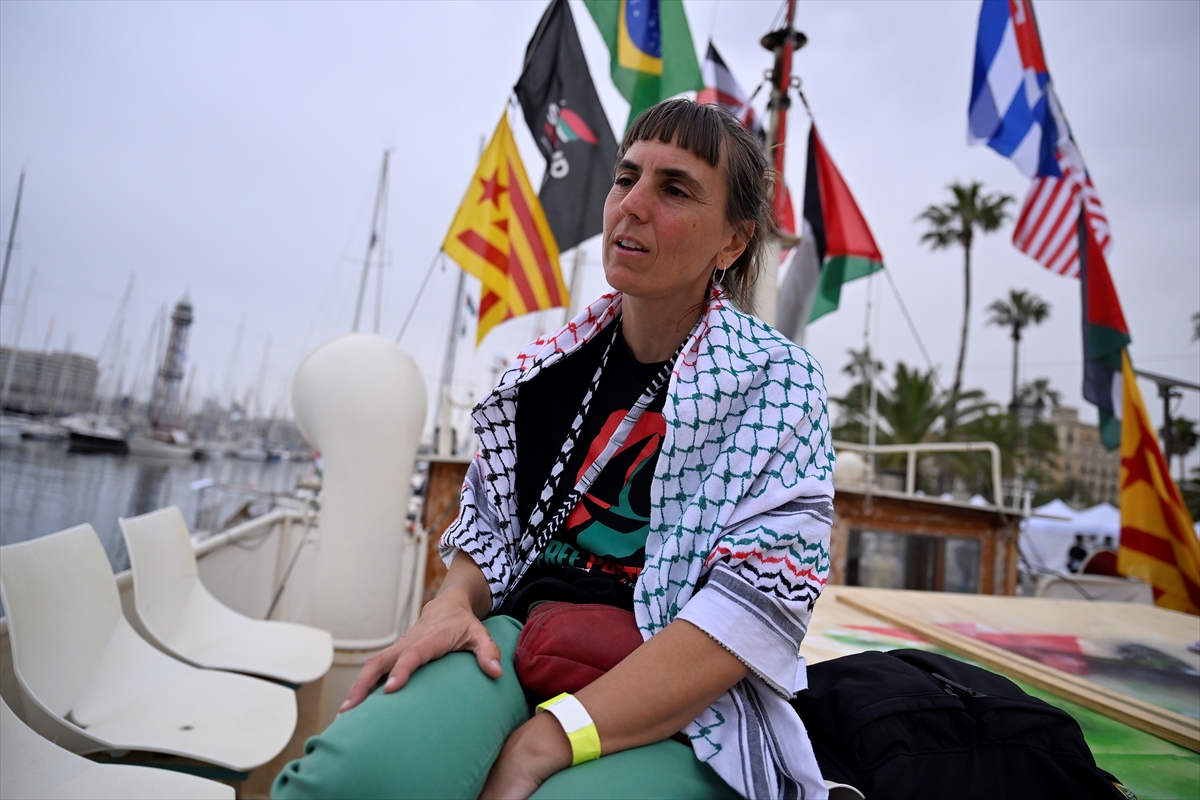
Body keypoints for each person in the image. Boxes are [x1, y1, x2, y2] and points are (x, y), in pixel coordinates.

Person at [273, 99, 835, 800]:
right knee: (353, 780)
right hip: (518, 637)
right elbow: (490, 531)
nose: (632, 205)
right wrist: (452, 604)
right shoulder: (548, 369)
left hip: (684, 692)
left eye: (674, 189)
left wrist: (545, 740)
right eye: (626, 178)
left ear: (733, 242)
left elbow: (747, 615)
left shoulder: (775, 385)